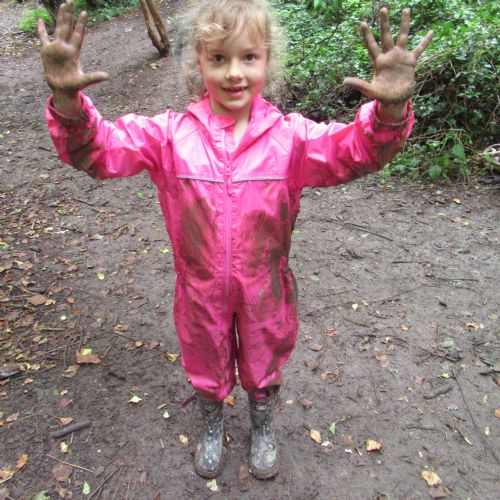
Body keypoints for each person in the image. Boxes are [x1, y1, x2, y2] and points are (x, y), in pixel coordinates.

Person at [38, 0, 433, 480]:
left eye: (248, 57)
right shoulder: (168, 136)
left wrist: (390, 109)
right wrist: (68, 104)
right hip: (199, 286)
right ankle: (211, 417)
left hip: (265, 284)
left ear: (267, 60)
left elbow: (354, 151)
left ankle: (262, 418)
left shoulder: (290, 139)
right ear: (197, 62)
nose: (234, 73)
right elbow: (98, 151)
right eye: (218, 58)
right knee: (204, 352)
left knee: (265, 352)